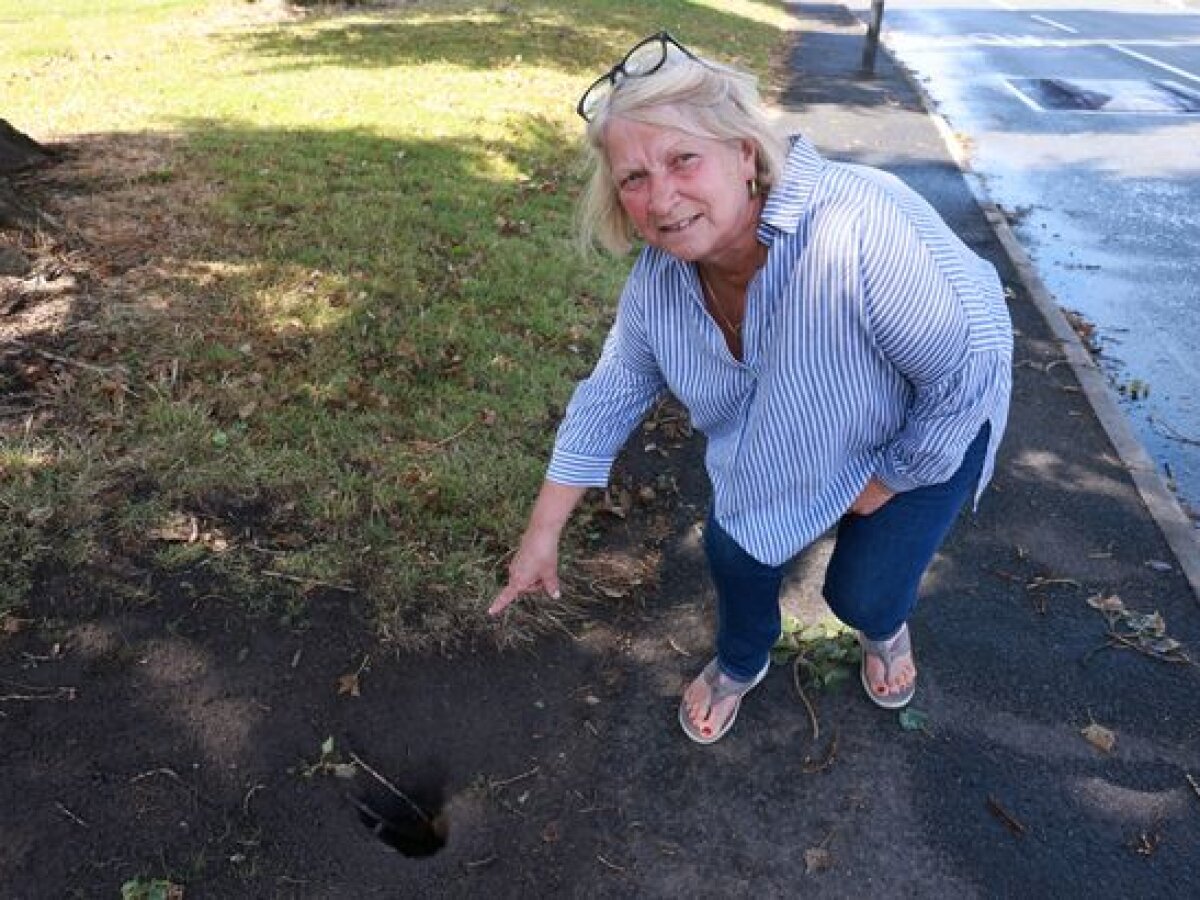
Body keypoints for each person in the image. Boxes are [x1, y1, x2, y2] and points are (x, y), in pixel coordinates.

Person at [488, 32, 1012, 745]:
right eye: (633, 178)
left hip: (933, 410)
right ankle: (741, 660)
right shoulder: (660, 284)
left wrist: (889, 480)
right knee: (735, 547)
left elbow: (961, 374)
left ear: (744, 153)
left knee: (861, 592)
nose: (661, 198)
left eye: (683, 159)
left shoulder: (852, 230)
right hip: (810, 413)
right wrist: (541, 533)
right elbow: (609, 393)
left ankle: (886, 630)